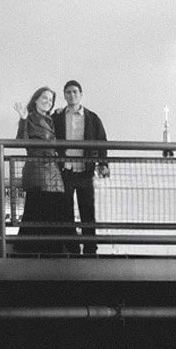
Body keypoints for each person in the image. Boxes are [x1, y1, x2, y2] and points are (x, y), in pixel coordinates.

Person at [52, 79, 109, 255]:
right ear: (64, 95)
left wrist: (103, 164)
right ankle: (72, 248)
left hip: (85, 171)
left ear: (81, 95)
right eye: (68, 92)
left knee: (87, 210)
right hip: (65, 170)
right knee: (66, 211)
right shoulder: (58, 117)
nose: (72, 95)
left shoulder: (92, 117)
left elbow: (101, 141)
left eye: (75, 92)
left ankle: (90, 248)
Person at [14, 87, 71, 254]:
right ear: (36, 100)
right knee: (39, 208)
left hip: (52, 169)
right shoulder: (30, 118)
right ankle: (36, 249)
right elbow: (21, 141)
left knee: (50, 209)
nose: (48, 102)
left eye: (51, 100)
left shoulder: (50, 119)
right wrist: (23, 119)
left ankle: (47, 248)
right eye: (44, 98)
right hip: (39, 168)